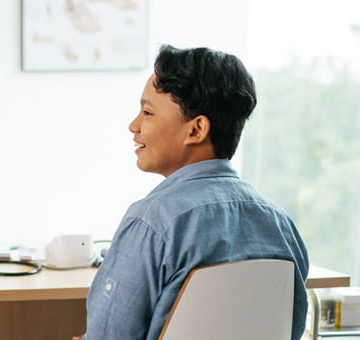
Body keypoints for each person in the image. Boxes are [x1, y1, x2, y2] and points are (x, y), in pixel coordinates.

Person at [77, 45, 309, 340]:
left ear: (196, 130)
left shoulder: (152, 222)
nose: (133, 125)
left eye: (147, 112)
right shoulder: (280, 224)